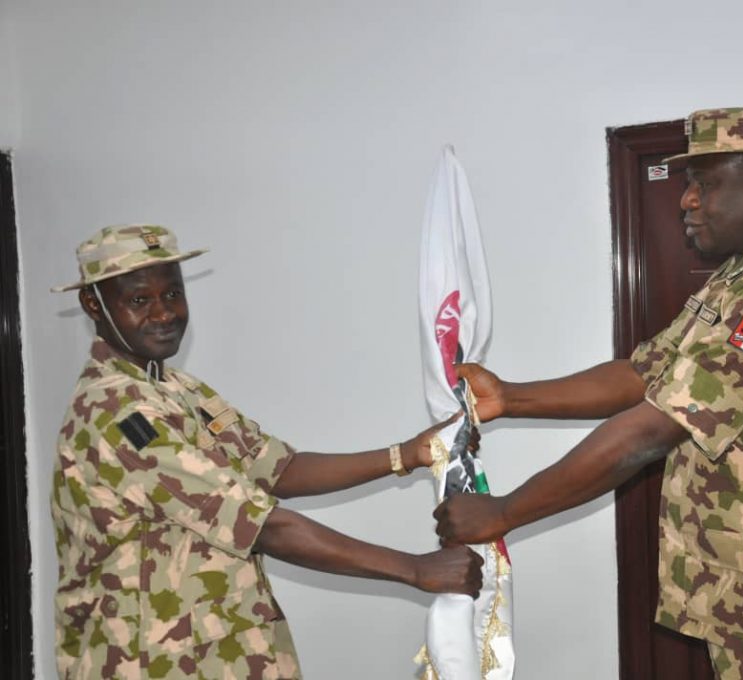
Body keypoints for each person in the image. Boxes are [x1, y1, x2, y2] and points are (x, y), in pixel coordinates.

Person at [433, 107, 743, 679]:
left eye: (705, 183)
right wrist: (509, 397)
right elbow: (641, 373)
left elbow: (652, 429)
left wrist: (504, 512)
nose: (687, 200)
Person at [50, 225, 483, 679]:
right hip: (150, 664)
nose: (164, 313)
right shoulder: (117, 413)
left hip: (220, 654)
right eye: (140, 300)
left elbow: (280, 469)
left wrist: (408, 453)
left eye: (173, 294)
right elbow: (262, 525)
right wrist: (414, 569)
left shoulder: (177, 389)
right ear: (93, 304)